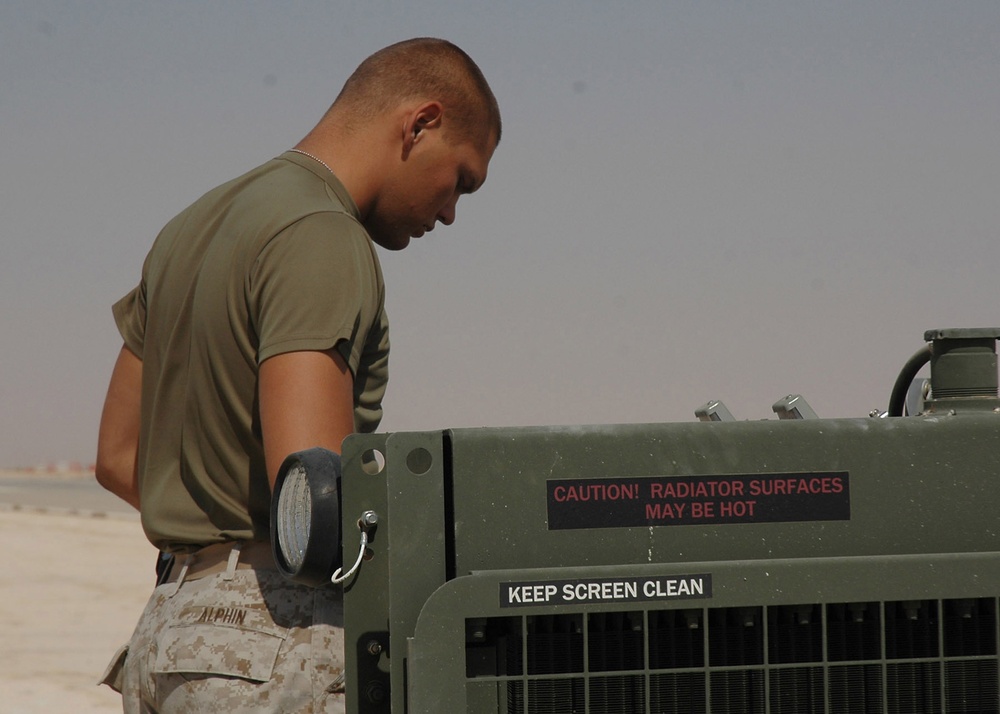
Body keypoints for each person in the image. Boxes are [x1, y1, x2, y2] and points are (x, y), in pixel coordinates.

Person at [94, 37, 501, 713]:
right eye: (460, 178)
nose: (452, 210)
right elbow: (312, 493)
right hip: (273, 642)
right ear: (420, 122)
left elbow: (116, 458)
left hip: (169, 633)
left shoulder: (189, 228)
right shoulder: (320, 232)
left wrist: (213, 540)